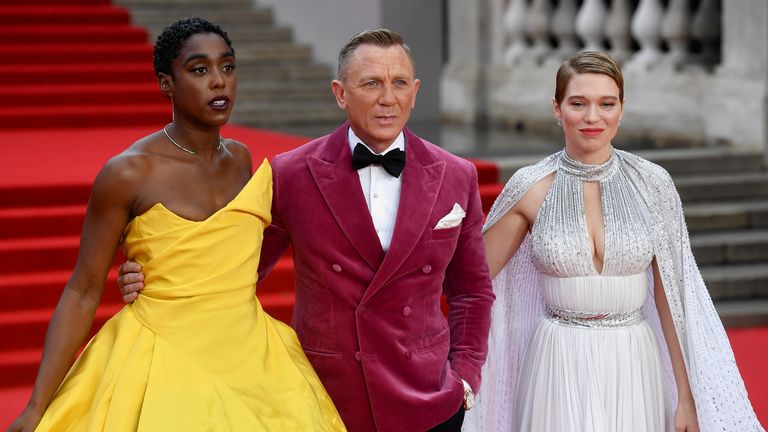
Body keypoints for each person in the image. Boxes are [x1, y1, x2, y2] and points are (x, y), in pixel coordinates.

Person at [118, 28, 495, 432]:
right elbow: (235, 266)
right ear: (340, 93)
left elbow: (472, 289)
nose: (389, 98)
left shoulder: (457, 175)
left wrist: (465, 379)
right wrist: (156, 276)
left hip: (429, 400)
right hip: (322, 399)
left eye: (399, 83)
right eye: (371, 83)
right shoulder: (292, 173)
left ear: (415, 90)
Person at [8, 17, 345, 431]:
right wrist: (37, 405)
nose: (219, 82)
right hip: (160, 357)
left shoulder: (243, 160)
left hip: (256, 359)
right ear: (166, 83)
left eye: (228, 66)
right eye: (199, 70)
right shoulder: (128, 173)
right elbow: (84, 288)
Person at [463, 51, 764, 432]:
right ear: (557, 109)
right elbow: (472, 278)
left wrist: (686, 399)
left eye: (606, 104)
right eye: (578, 103)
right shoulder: (531, 186)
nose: (593, 117)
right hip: (557, 362)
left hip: (633, 360)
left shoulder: (652, 184)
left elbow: (672, 298)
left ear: (621, 109)